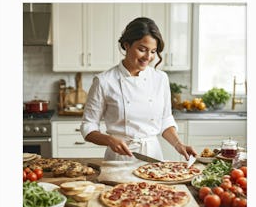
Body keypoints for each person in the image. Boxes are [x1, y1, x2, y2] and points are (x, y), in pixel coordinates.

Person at [80, 17, 197, 161]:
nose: (148, 57)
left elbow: (165, 120)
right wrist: (109, 140)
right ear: (126, 45)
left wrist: (179, 145)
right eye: (142, 49)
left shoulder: (160, 79)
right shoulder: (104, 81)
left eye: (153, 51)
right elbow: (88, 126)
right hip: (120, 158)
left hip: (153, 157)